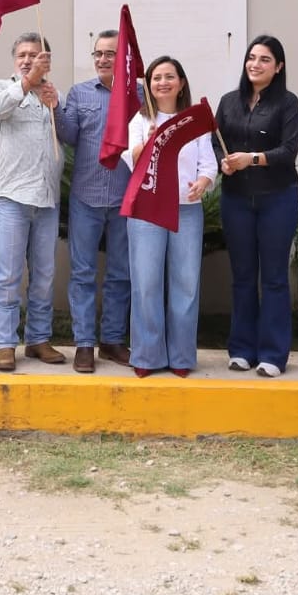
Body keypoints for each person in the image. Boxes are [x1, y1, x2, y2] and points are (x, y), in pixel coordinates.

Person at [216, 35, 298, 377]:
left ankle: (273, 354)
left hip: (277, 198)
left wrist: (251, 159)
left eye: (265, 59)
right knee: (241, 276)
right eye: (252, 57)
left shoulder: (288, 103)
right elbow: (215, 141)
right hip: (236, 199)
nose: (255, 64)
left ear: (278, 67)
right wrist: (223, 161)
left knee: (274, 278)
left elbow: (288, 152)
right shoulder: (229, 102)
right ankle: (241, 349)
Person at [125, 56, 217, 378]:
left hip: (186, 209)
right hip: (147, 210)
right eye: (156, 78)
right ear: (149, 85)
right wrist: (149, 141)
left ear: (181, 83)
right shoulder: (139, 120)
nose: (162, 82)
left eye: (169, 77)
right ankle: (147, 355)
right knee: (146, 282)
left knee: (186, 283)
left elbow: (208, 164)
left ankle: (181, 356)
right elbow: (131, 159)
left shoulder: (193, 122)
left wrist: (203, 182)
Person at [0, 33, 65, 372]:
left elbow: (68, 135)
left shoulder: (52, 95)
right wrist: (28, 82)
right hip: (12, 199)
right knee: (8, 275)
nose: (28, 59)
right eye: (22, 55)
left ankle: (38, 339)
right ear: (15, 59)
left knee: (44, 275)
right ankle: (6, 343)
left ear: (47, 60)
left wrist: (57, 106)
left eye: (35, 54)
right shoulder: (0, 88)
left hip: (47, 199)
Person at [55, 29, 134, 371]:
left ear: (123, 58)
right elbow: (70, 135)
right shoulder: (80, 93)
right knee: (83, 273)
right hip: (86, 197)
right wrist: (54, 108)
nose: (102, 59)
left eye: (109, 54)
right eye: (98, 53)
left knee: (120, 273)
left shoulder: (138, 95)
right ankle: (84, 344)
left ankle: (112, 341)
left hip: (125, 199)